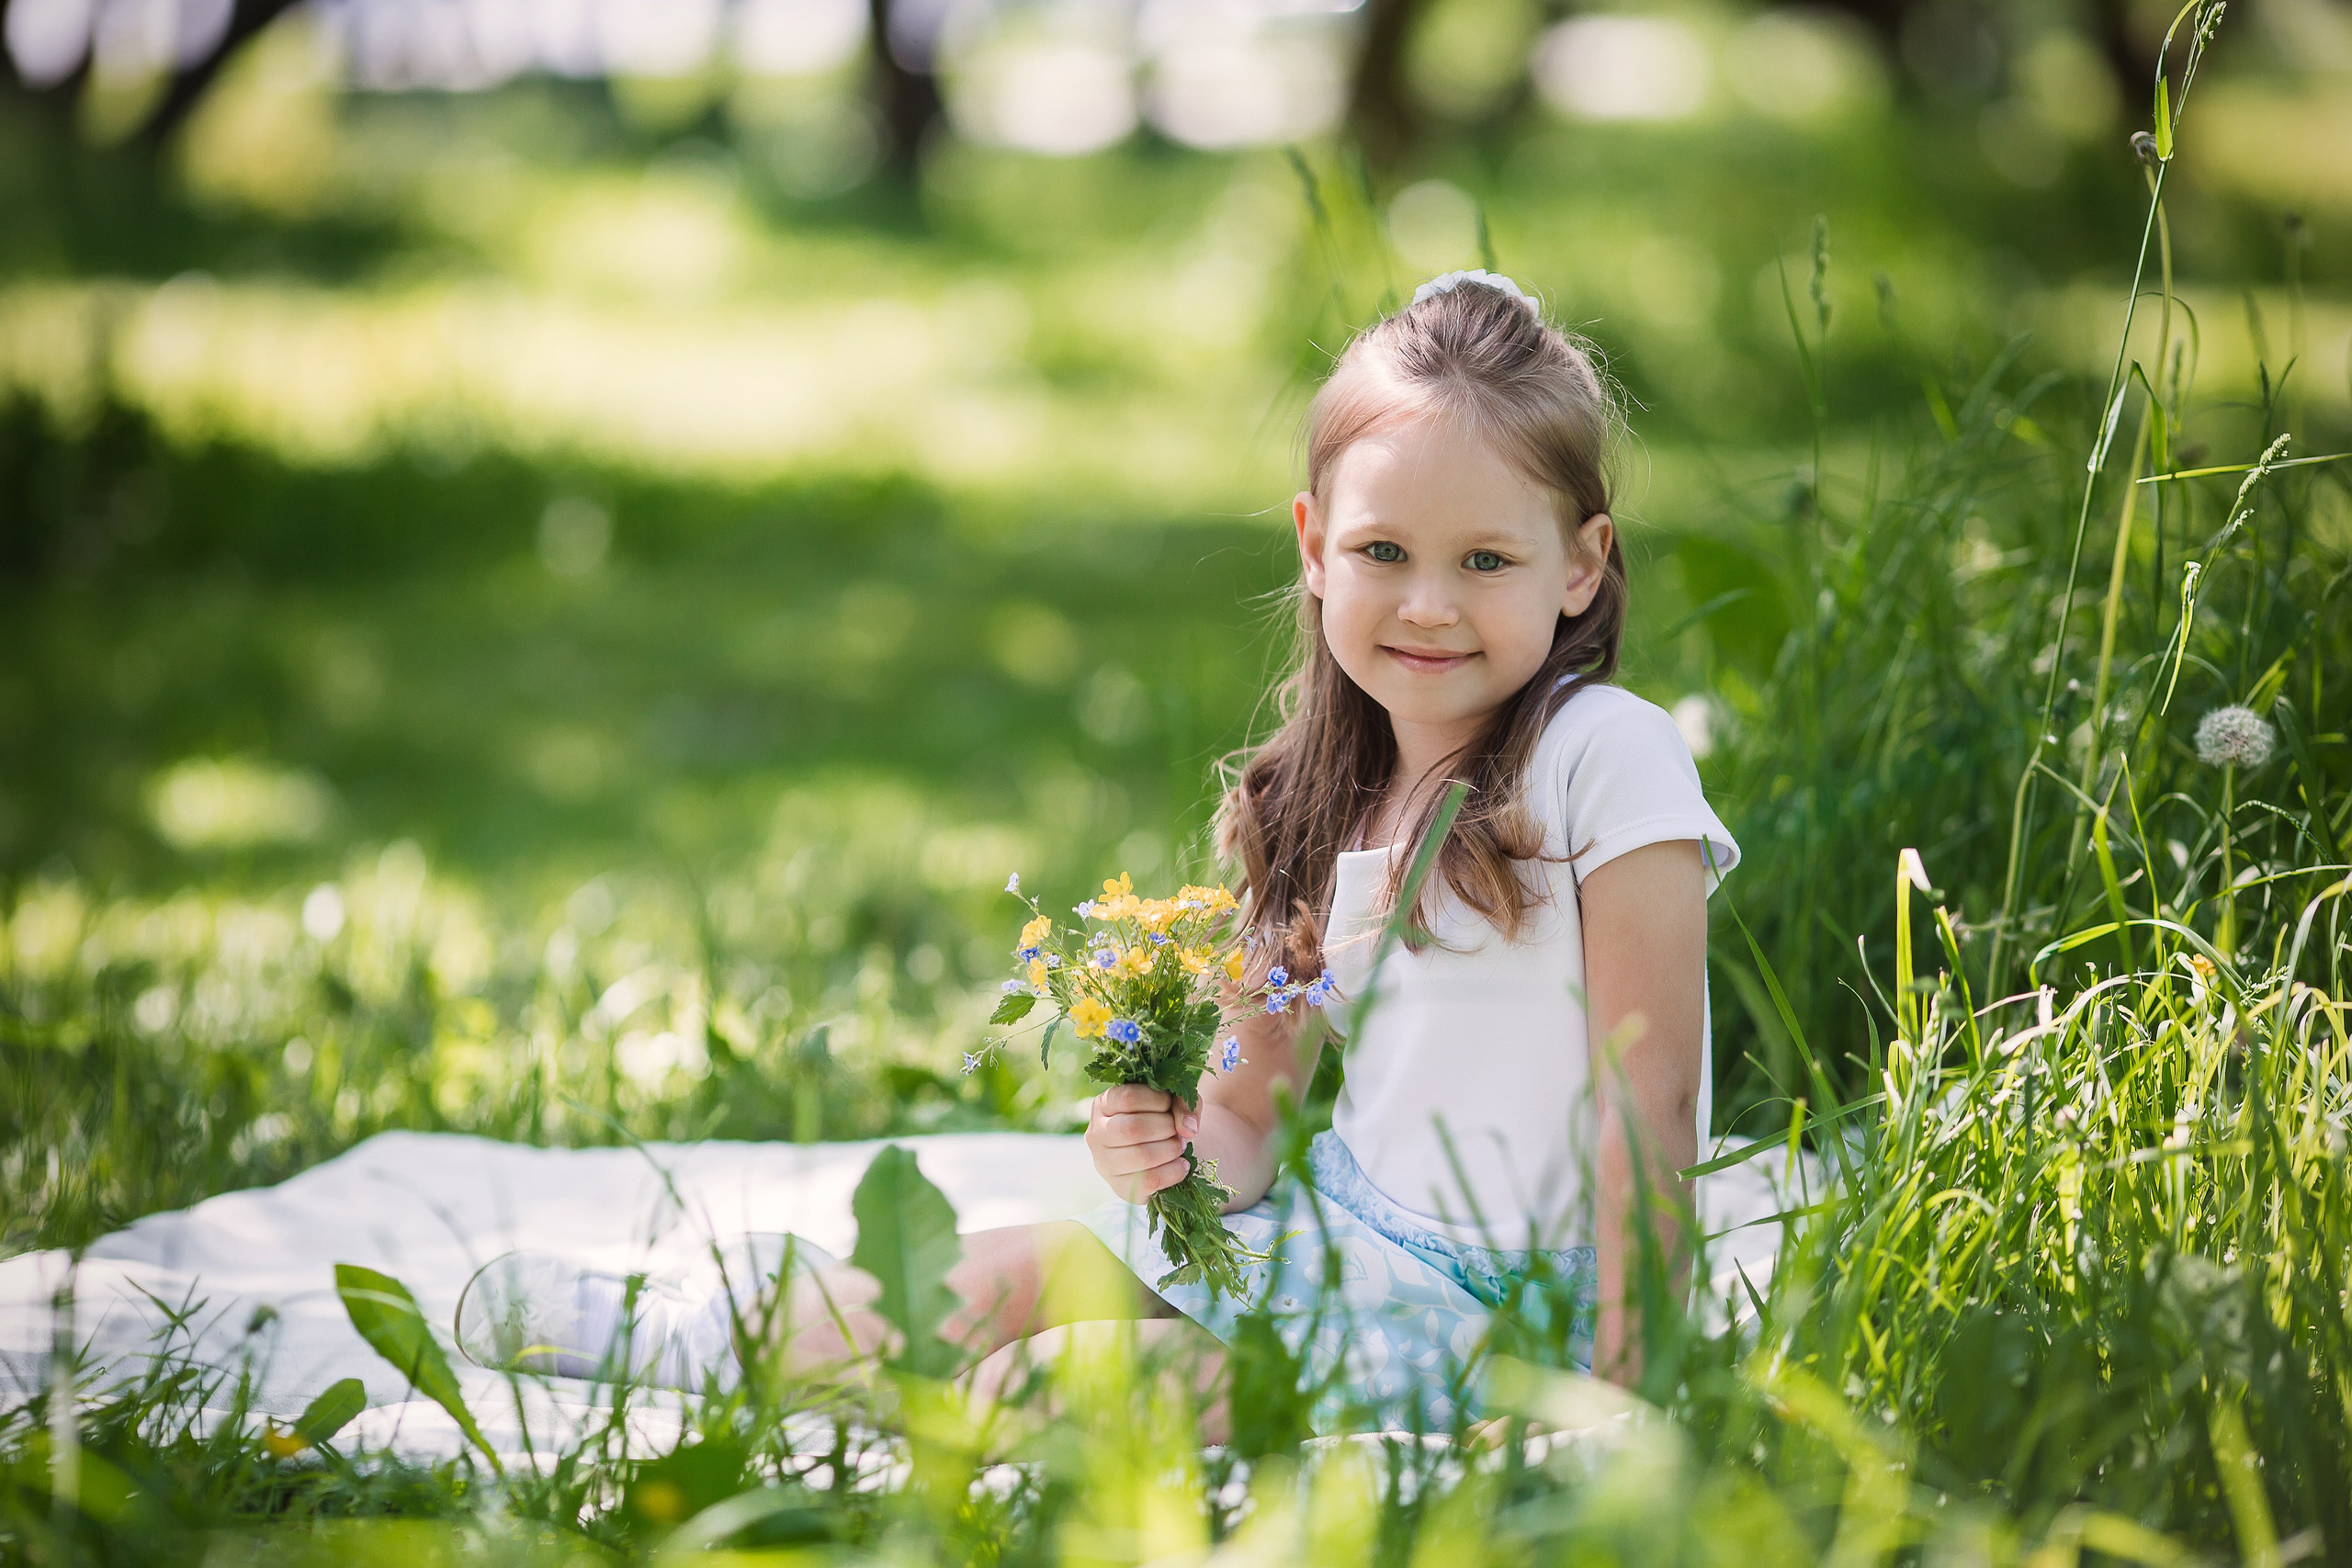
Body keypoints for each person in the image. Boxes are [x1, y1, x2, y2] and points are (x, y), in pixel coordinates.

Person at [457, 269, 1738, 1432]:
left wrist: (1630, 1390)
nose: (1427, 603)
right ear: (1311, 546)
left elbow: (1652, 1097)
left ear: (1580, 565)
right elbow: (1253, 1113)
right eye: (1383, 552)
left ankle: (897, 1410)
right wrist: (1174, 1151)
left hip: (1522, 1312)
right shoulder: (1337, 795)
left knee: (1052, 1383)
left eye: (1487, 560)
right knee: (1018, 1266)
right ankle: (681, 1339)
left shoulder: (1601, 757)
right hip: (1347, 1239)